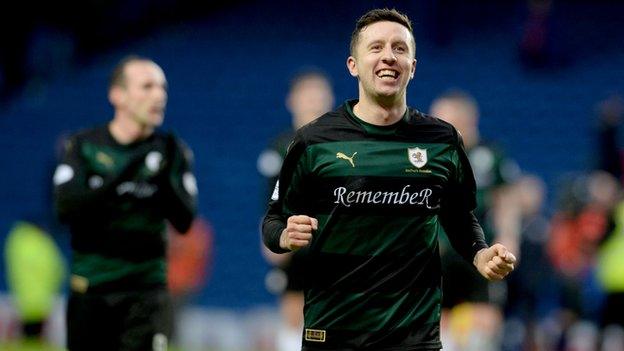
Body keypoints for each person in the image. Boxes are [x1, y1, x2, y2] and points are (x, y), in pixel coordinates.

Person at [262, 8, 516, 351]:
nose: (389, 56)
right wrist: (285, 236)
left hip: (414, 336)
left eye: (400, 48)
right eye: (376, 47)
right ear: (353, 65)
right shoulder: (313, 141)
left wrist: (479, 253)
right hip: (334, 333)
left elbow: (459, 217)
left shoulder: (442, 140)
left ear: (413, 66)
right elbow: (273, 221)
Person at [53, 55, 198, 351]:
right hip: (92, 290)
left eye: (162, 87)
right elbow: (65, 209)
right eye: (147, 87)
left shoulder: (171, 151)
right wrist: (125, 173)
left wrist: (165, 177)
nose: (159, 95)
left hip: (147, 292)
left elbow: (184, 221)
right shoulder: (84, 146)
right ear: (117, 95)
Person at [429, 89, 521, 350]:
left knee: (485, 320)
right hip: (437, 254)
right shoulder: (428, 157)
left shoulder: (490, 155)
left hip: (480, 252)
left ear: (466, 120)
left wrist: (509, 236)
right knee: (437, 321)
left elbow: (507, 199)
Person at [257, 69, 334, 351]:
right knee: (294, 311)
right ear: (293, 100)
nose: (314, 101)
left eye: (319, 95)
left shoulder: (342, 144)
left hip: (335, 241)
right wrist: (270, 236)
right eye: (308, 95)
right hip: (297, 239)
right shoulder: (279, 147)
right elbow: (269, 199)